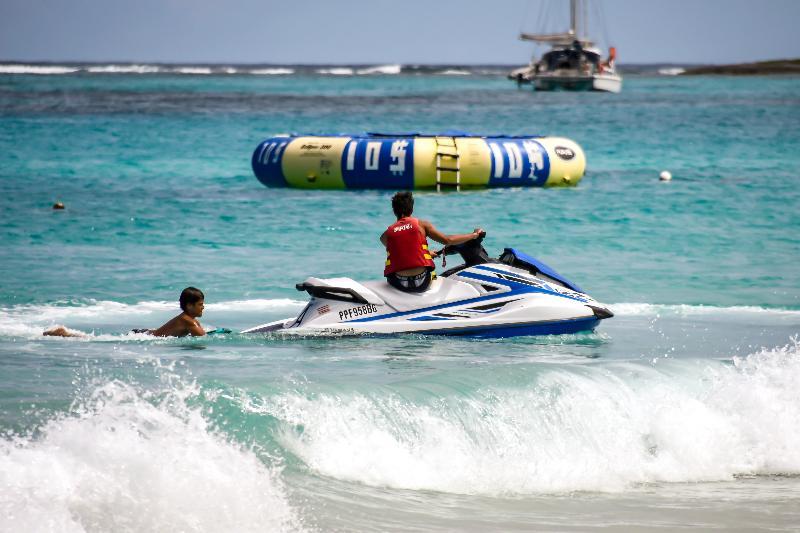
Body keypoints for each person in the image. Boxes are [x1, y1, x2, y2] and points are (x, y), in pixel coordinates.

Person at [380, 191, 482, 293]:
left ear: (394, 211)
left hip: (399, 283)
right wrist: (474, 235)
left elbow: (402, 252)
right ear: (411, 209)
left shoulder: (386, 235)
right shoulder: (422, 225)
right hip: (422, 282)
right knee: (436, 274)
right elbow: (448, 240)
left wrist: (427, 254)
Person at [43, 287, 208, 338]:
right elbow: (203, 338)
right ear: (189, 305)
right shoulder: (189, 321)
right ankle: (65, 333)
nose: (203, 307)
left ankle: (66, 333)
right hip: (145, 337)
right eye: (200, 304)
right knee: (97, 340)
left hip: (146, 333)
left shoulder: (188, 319)